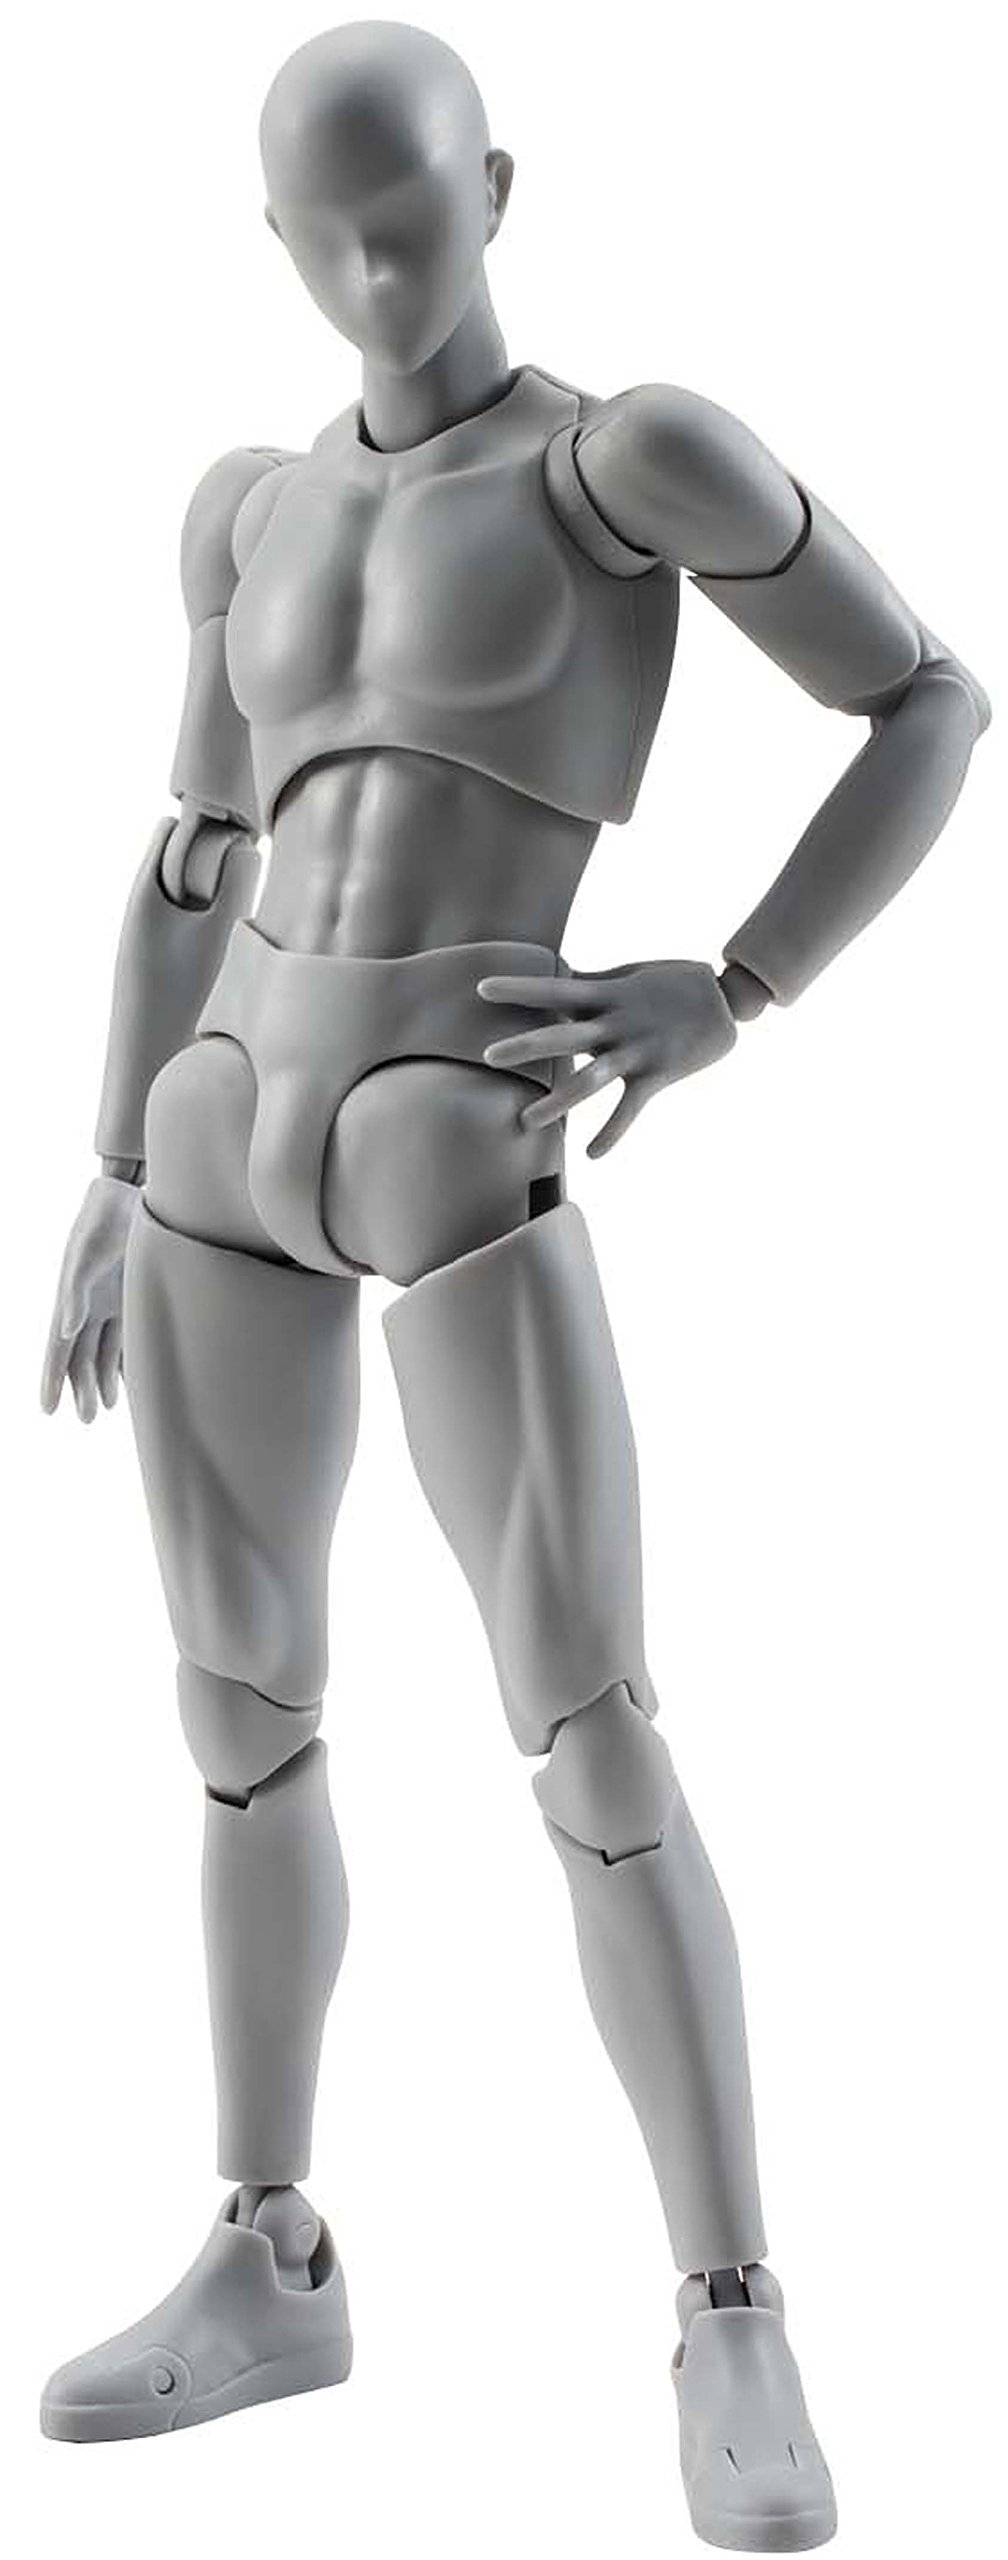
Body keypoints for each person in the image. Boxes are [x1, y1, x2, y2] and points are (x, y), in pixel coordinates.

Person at [40, 21, 987, 2547]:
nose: (378, 271)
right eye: (329, 232)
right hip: (227, 1126)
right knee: (240, 1720)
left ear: (499, 186)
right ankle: (271, 2251)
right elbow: (193, 843)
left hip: (454, 1134)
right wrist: (110, 1159)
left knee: (592, 1731)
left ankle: (735, 2306)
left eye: (416, 213)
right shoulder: (239, 507)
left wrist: (738, 984)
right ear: (271, 242)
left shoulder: (623, 460)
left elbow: (929, 696)